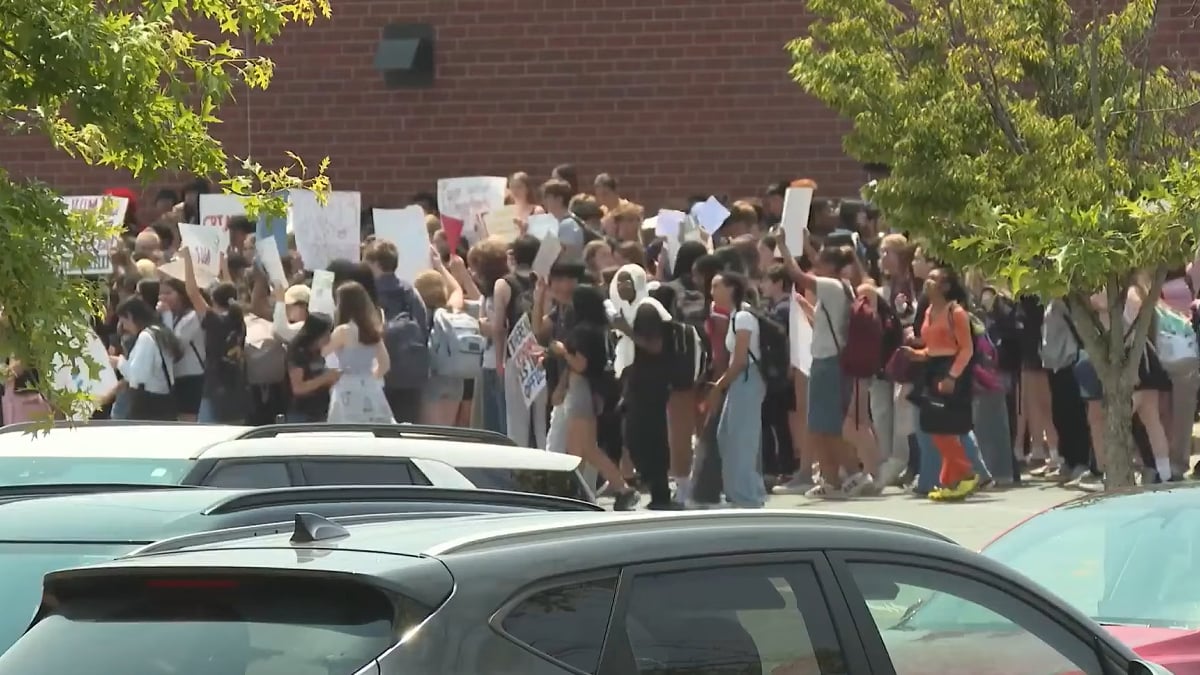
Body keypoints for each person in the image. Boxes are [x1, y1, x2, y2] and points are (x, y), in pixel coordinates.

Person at [549, 284, 639, 510]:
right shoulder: (602, 330)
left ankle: (622, 488)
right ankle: (576, 495)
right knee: (577, 449)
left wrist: (561, 351)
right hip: (592, 392)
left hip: (582, 393)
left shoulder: (583, 332)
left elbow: (580, 364)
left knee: (587, 448)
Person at [900, 266, 979, 501]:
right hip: (932, 369)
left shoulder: (956, 312)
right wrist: (918, 353)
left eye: (935, 279)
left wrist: (952, 377)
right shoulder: (929, 311)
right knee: (934, 426)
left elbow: (966, 349)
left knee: (942, 427)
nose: (928, 282)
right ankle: (951, 480)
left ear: (945, 286)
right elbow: (933, 345)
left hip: (951, 371)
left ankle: (964, 473)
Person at [707, 271, 767, 508]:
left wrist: (718, 386)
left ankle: (747, 496)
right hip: (739, 381)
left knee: (742, 440)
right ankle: (738, 491)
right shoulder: (735, 316)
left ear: (731, 289)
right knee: (727, 436)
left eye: (716, 286)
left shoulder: (743, 317)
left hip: (747, 379)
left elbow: (740, 359)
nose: (712, 292)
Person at [180, 248, 248, 423]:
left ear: (213, 300)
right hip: (238, 388)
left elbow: (192, 292)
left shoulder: (214, 321)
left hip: (215, 388)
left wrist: (188, 259)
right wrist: (223, 264)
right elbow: (230, 291)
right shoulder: (238, 319)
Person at [625, 302, 681, 509]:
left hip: (651, 393)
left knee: (651, 444)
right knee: (639, 441)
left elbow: (654, 345)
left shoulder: (648, 315)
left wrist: (627, 331)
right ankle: (656, 488)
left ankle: (661, 494)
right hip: (641, 390)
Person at [323, 281, 394, 423]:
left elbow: (322, 352)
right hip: (371, 387)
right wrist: (370, 377)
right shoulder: (373, 331)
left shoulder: (343, 331)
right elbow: (385, 364)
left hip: (347, 386)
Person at [413, 252, 467, 426]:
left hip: (432, 378)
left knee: (429, 433)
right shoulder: (451, 311)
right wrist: (440, 266)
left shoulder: (417, 316)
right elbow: (457, 289)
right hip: (455, 376)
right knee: (447, 431)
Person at [106, 296, 181, 421]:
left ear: (130, 316)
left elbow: (138, 375)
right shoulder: (161, 332)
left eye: (124, 322)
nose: (124, 327)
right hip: (165, 400)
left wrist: (119, 362)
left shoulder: (146, 337)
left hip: (147, 403)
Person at [286, 314, 338, 422]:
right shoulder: (297, 352)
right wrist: (326, 378)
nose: (329, 337)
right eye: (326, 334)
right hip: (302, 414)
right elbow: (298, 388)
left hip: (322, 411)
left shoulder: (319, 352)